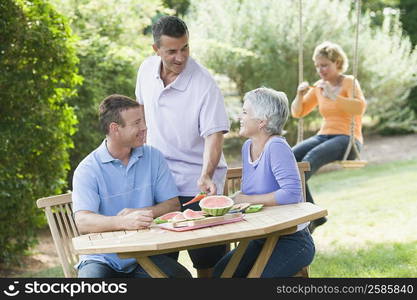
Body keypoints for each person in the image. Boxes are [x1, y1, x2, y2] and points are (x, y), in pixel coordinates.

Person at [135, 15, 230, 278]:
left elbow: (214, 135)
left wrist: (207, 173)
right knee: (159, 264)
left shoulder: (204, 84)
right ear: (156, 50)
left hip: (196, 184)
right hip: (158, 184)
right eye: (172, 51)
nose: (181, 57)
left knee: (207, 263)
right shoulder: (145, 70)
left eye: (185, 48)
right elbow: (141, 115)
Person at [72, 94, 192, 278]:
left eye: (143, 121)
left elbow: (172, 204)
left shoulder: (153, 157)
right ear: (115, 129)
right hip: (102, 257)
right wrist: (122, 222)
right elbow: (83, 221)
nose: (144, 127)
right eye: (136, 123)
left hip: (144, 254)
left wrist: (140, 214)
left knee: (181, 277)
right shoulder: (88, 169)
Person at [213, 87, 315, 277]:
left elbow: (292, 193)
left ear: (261, 121)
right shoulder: (248, 147)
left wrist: (247, 199)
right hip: (261, 238)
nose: (240, 117)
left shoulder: (276, 146)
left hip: (292, 240)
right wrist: (228, 201)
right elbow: (248, 193)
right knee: (221, 272)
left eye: (245, 112)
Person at [291, 41, 367, 233]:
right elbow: (298, 113)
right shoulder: (319, 87)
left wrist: (336, 97)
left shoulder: (349, 82)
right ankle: (315, 216)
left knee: (308, 161)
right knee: (289, 157)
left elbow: (359, 108)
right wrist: (300, 95)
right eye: (317, 66)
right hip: (324, 135)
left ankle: (303, 213)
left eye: (324, 65)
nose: (320, 70)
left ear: (338, 63)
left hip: (348, 139)